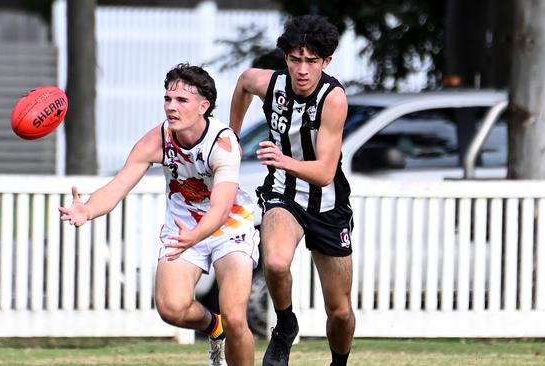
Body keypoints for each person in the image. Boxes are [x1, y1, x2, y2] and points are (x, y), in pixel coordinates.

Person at [59, 63, 259, 366]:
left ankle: (228, 331)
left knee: (234, 314)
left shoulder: (223, 143)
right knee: (171, 308)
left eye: (181, 101)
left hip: (228, 228)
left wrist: (196, 235)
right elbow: (117, 187)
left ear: (204, 106)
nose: (171, 107)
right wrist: (87, 209)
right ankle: (213, 328)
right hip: (183, 229)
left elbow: (219, 209)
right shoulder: (158, 140)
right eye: (168, 99)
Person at [229, 15, 355, 366]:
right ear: (285, 58)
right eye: (295, 59)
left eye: (311, 61)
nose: (302, 69)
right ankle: (285, 326)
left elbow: (325, 172)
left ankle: (338, 363)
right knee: (274, 261)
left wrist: (283, 159)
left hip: (327, 204)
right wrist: (232, 137)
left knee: (341, 312)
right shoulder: (271, 84)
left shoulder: (333, 98)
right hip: (284, 193)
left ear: (326, 61)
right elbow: (243, 82)